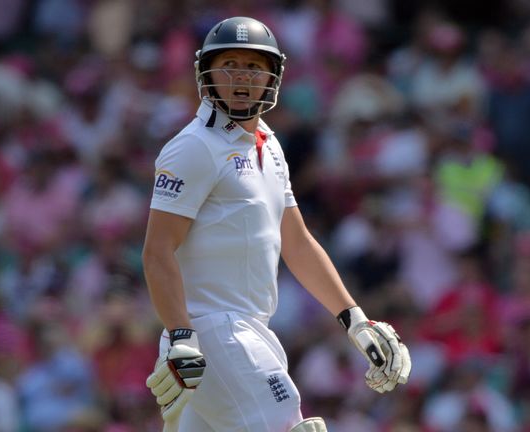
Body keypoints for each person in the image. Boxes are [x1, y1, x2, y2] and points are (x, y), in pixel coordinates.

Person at [142, 16, 411, 432]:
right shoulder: (194, 147)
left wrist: (354, 319)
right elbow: (157, 250)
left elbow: (297, 241)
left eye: (253, 66)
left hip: (250, 331)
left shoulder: (267, 143)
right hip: (211, 334)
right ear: (205, 72)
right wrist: (181, 335)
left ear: (274, 76)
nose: (241, 77)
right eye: (228, 64)